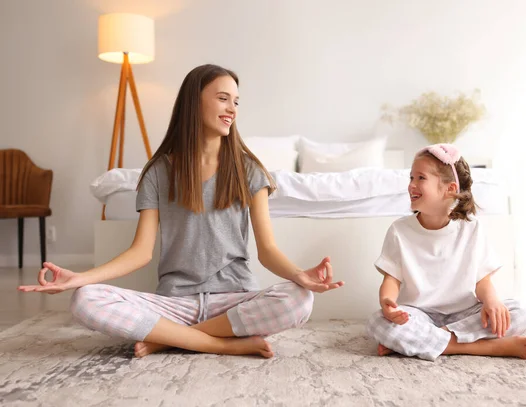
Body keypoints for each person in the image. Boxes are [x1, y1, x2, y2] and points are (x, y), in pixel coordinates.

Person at [18, 64, 343, 359]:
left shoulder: (249, 170)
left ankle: (169, 340)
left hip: (233, 299)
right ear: (194, 101)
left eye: (236, 101)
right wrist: (80, 278)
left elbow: (268, 250)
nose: (232, 108)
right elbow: (140, 252)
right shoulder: (158, 172)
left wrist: (300, 276)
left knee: (299, 299)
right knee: (85, 299)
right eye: (223, 98)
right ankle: (217, 343)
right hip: (174, 302)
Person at [366, 143, 526, 361]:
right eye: (411, 178)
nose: (411, 185)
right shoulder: (399, 230)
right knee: (378, 322)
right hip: (419, 314)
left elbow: (482, 281)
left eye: (421, 178)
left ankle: (423, 342)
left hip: (464, 313)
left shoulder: (471, 227)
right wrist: (387, 303)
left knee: (520, 312)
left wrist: (492, 301)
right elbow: (391, 279)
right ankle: (490, 347)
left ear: (449, 189)